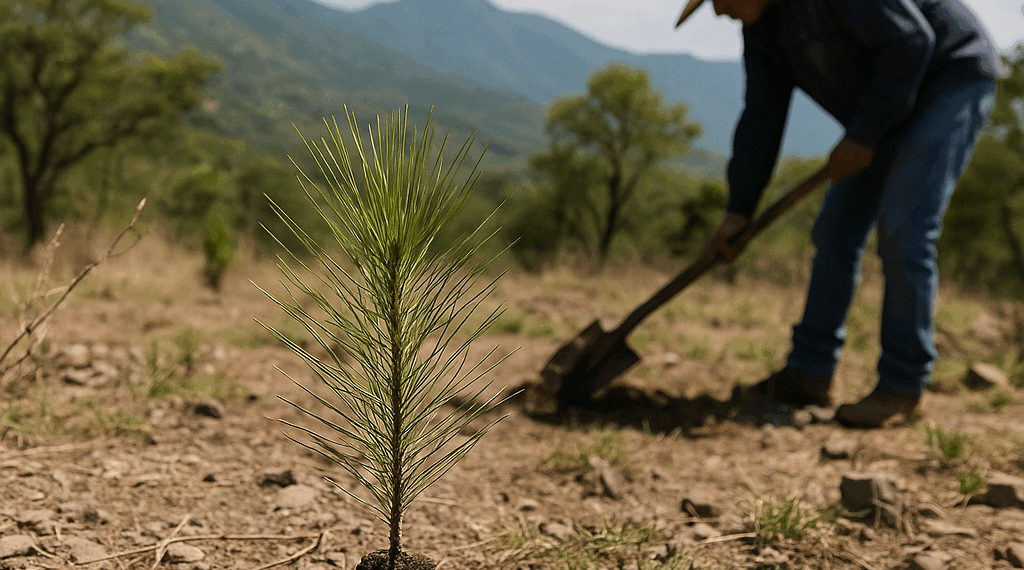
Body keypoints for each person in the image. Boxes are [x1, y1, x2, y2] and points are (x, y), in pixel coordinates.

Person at [677, 0, 999, 427]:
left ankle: (902, 384)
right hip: (885, 103)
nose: (719, 12)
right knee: (834, 231)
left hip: (947, 77)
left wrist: (864, 135)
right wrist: (738, 212)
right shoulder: (761, 33)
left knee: (905, 231)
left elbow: (912, 41)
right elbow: (761, 119)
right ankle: (809, 373)